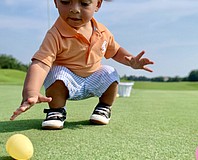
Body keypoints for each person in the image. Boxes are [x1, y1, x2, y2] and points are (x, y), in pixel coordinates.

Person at [10, 0, 154, 129]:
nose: (75, 9)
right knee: (56, 72)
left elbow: (115, 51)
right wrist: (31, 92)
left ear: (97, 4)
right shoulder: (55, 34)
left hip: (93, 79)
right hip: (67, 82)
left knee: (110, 72)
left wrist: (132, 61)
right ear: (55, 2)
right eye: (66, 2)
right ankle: (56, 111)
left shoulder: (102, 31)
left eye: (84, 3)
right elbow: (41, 63)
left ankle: (104, 107)